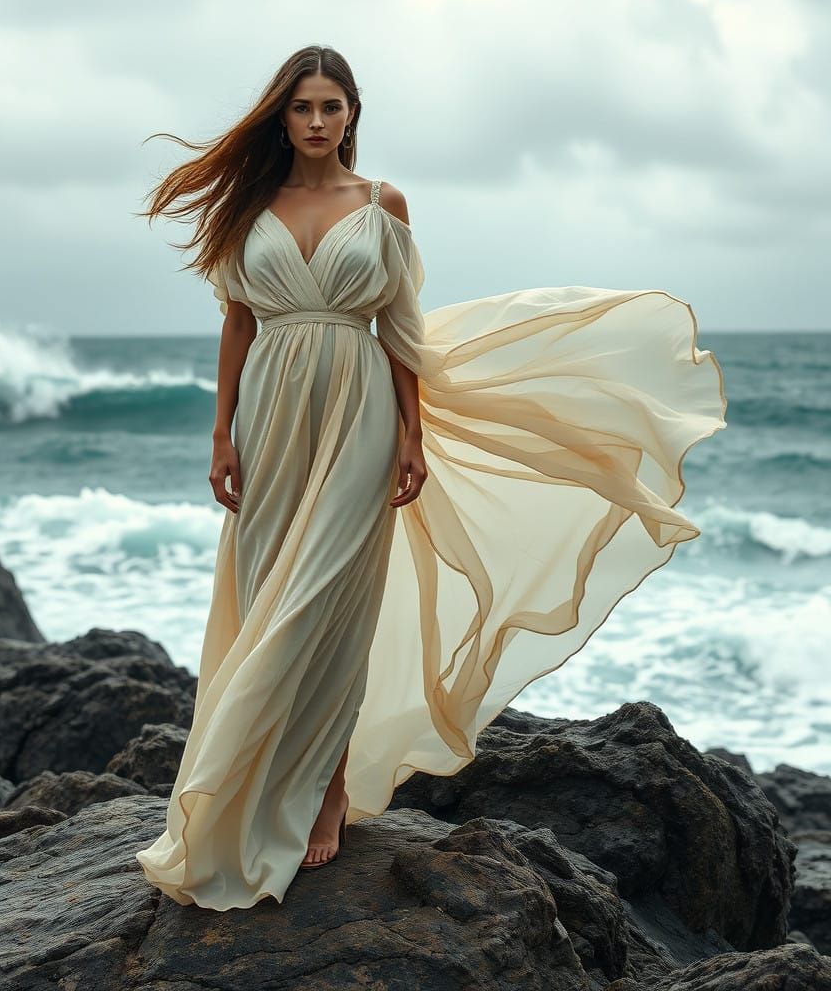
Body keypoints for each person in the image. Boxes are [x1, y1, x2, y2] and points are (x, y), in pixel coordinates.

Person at [133, 45, 727, 911]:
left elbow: (399, 329)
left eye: (332, 107)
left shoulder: (383, 205)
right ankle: (252, 787)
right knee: (267, 597)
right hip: (269, 421)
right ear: (282, 115)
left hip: (360, 413)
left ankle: (329, 792)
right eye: (302, 107)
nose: (316, 121)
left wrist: (411, 431)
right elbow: (237, 324)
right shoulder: (250, 204)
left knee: (327, 608)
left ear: (351, 116)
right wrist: (220, 432)